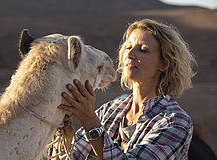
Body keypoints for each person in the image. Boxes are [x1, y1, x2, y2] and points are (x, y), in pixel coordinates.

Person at [51, 19, 197, 160]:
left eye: (143, 50)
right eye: (128, 47)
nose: (130, 54)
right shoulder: (111, 110)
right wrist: (66, 137)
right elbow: (74, 156)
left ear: (164, 63)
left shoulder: (175, 122)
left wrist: (89, 121)